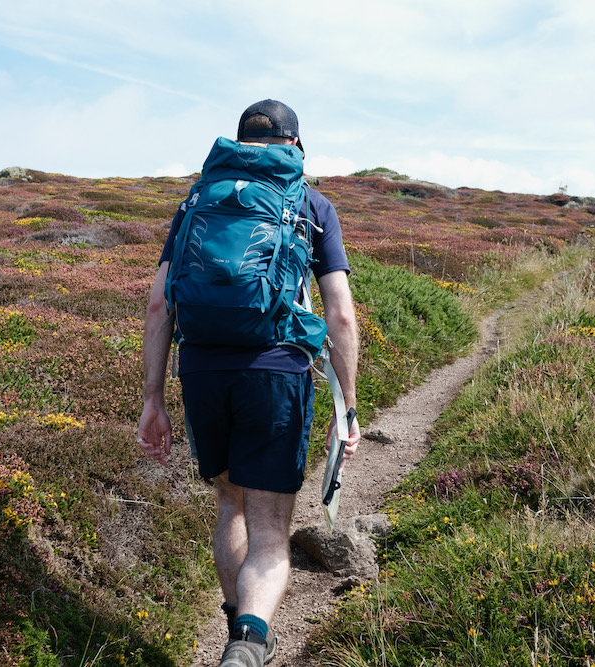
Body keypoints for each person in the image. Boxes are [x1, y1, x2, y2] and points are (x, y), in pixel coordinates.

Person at [137, 99, 360, 667]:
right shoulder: (311, 204)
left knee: (231, 502)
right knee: (268, 523)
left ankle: (237, 627)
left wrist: (153, 399)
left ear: (239, 143)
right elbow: (339, 315)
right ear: (297, 147)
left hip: (203, 370)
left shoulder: (195, 202)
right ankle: (251, 642)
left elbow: (160, 301)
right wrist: (348, 405)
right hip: (277, 373)